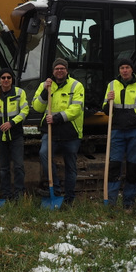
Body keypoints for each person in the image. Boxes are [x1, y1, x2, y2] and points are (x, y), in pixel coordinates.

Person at [32, 58, 85, 204]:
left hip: (70, 132)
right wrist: (44, 91)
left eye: (62, 68)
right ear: (53, 71)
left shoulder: (76, 85)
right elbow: (37, 107)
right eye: (57, 69)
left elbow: (76, 109)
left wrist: (56, 118)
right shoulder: (45, 85)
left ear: (67, 70)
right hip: (51, 131)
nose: (59, 71)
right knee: (44, 153)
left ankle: (69, 197)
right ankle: (54, 188)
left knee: (70, 165)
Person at [103, 58, 136, 210]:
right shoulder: (112, 85)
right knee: (114, 165)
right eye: (122, 68)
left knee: (132, 166)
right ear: (119, 70)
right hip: (117, 130)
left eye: (127, 67)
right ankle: (110, 201)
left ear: (132, 69)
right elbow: (106, 109)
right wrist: (108, 102)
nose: (124, 70)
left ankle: (128, 202)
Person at [0, 68, 30, 200]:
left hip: (15, 135)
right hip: (0, 136)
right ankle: (6, 193)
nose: (6, 80)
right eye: (3, 77)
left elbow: (25, 111)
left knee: (18, 166)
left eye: (8, 77)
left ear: (12, 79)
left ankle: (19, 194)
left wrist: (12, 123)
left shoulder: (19, 93)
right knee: (3, 167)